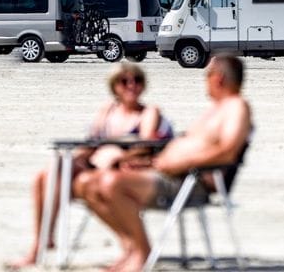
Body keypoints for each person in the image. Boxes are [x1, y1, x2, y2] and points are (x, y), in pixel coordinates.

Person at [75, 53, 252, 272]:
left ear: (219, 78)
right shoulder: (215, 110)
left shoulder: (236, 107)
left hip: (191, 183)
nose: (205, 80)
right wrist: (150, 163)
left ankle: (142, 252)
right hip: (168, 174)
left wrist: (179, 164)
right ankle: (132, 248)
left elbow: (227, 151)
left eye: (207, 75)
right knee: (86, 183)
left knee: (110, 183)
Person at [10, 62, 172, 269]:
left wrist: (116, 154)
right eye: (125, 81)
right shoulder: (108, 110)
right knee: (46, 174)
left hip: (129, 170)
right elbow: (91, 143)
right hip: (102, 166)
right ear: (114, 86)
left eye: (137, 80)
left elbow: (146, 146)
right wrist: (75, 158)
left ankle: (42, 245)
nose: (131, 85)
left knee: (69, 175)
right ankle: (41, 242)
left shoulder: (149, 112)